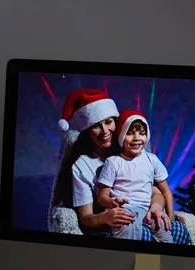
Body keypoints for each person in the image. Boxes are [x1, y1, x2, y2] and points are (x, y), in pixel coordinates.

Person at [54, 89, 187, 242]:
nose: (104, 131)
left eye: (109, 122)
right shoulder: (82, 166)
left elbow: (156, 192)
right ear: (87, 130)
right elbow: (85, 218)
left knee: (177, 231)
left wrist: (156, 206)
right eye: (96, 126)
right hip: (110, 223)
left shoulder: (131, 149)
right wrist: (104, 217)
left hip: (143, 213)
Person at [97, 109, 174, 242]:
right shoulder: (113, 162)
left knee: (164, 230)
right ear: (121, 136)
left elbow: (166, 191)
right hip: (124, 210)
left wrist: (171, 219)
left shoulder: (152, 160)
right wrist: (112, 201)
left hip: (146, 210)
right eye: (130, 133)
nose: (137, 138)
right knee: (126, 229)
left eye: (142, 133)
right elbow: (102, 197)